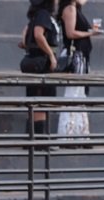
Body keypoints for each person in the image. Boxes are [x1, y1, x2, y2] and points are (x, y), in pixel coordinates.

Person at [57, 0, 101, 139]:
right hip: (76, 55)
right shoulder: (70, 9)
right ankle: (68, 133)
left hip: (81, 55)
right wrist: (90, 34)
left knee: (79, 94)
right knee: (74, 94)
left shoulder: (75, 8)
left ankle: (79, 132)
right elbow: (70, 33)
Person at [18, 0, 62, 136]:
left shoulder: (35, 16)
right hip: (42, 62)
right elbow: (38, 34)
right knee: (43, 101)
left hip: (33, 60)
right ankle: (40, 137)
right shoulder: (43, 15)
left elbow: (24, 40)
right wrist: (50, 54)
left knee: (35, 99)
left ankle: (32, 137)